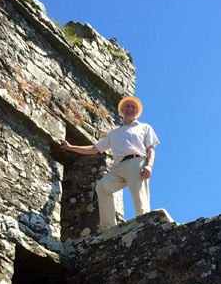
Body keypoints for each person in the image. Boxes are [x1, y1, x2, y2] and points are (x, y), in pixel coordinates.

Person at [60, 96, 160, 229]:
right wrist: (71, 147)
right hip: (118, 167)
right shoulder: (114, 133)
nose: (130, 109)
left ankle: (145, 226)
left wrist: (149, 165)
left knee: (140, 196)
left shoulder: (145, 127)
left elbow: (151, 150)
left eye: (133, 107)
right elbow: (94, 149)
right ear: (123, 110)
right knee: (102, 187)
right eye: (127, 106)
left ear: (136, 111)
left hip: (137, 161)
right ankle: (108, 228)